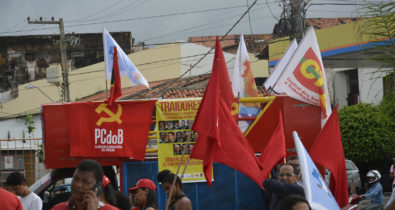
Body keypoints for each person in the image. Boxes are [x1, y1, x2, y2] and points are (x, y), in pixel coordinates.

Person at [51, 159, 118, 210]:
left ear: (97, 187)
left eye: (85, 182)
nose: (78, 185)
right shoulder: (57, 208)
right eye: (76, 179)